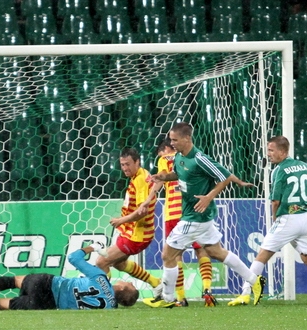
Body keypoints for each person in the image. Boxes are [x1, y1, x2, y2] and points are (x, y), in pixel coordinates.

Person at [147, 122, 265, 308]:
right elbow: (178, 174)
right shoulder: (179, 156)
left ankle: (167, 298)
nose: (172, 143)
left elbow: (225, 176)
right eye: (171, 139)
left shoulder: (200, 158)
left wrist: (209, 197)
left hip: (195, 216)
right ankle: (254, 280)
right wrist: (163, 177)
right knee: (216, 251)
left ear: (187, 138)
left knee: (167, 255)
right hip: (197, 215)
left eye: (175, 140)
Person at [0, 245, 139, 311]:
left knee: (12, 281)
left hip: (47, 284)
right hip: (47, 304)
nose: (126, 280)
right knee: (1, 304)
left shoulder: (101, 278)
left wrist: (92, 247)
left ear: (122, 289)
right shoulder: (109, 308)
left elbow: (73, 258)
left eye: (128, 283)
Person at [229, 136, 307, 305]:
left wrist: (274, 218)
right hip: (305, 217)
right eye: (268, 150)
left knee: (263, 255)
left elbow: (275, 201)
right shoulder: (304, 166)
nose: (268, 154)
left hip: (288, 218)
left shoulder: (279, 170)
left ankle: (245, 292)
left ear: (283, 152)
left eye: (271, 150)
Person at [142, 138, 217, 306]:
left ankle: (181, 298)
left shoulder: (164, 159)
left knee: (175, 255)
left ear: (165, 149)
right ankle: (207, 290)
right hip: (193, 210)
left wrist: (147, 200)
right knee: (202, 250)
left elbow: (160, 180)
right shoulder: (189, 158)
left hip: (173, 213)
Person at [94, 147, 161, 289]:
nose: (125, 168)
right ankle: (156, 283)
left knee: (101, 262)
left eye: (128, 164)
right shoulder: (140, 175)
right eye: (122, 164)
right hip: (133, 232)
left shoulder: (140, 180)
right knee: (119, 263)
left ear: (137, 162)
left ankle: (106, 295)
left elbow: (142, 212)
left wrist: (121, 221)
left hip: (137, 236)